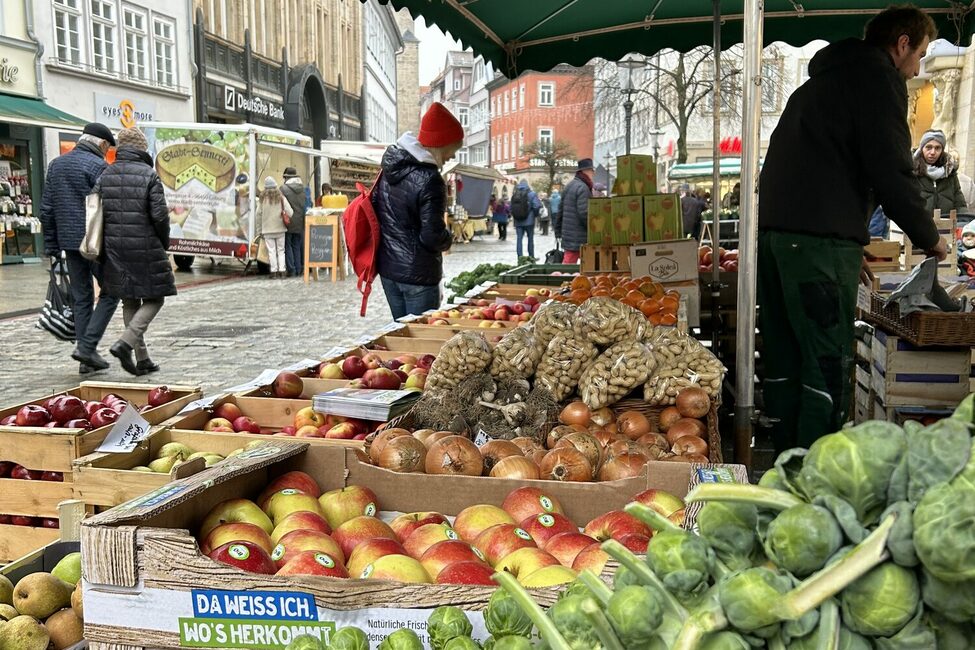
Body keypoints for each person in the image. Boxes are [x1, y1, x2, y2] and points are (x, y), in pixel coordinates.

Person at [757, 5, 946, 452]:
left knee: (785, 359)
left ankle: (783, 465)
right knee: (825, 365)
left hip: (776, 241)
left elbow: (817, 168)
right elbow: (891, 169)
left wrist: (843, 237)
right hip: (816, 246)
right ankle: (817, 478)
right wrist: (930, 238)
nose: (917, 66)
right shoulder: (877, 81)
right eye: (918, 53)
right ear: (901, 44)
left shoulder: (817, 86)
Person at [93, 127, 176, 376]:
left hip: (113, 248)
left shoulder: (104, 175)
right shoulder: (148, 175)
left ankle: (142, 359)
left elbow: (95, 213)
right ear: (141, 148)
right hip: (145, 246)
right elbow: (159, 215)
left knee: (129, 298)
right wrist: (164, 242)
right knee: (154, 298)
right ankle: (126, 342)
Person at [39, 122, 120, 374]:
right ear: (103, 144)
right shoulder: (100, 167)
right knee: (112, 290)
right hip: (96, 243)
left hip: (70, 244)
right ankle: (86, 347)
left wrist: (51, 246)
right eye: (107, 148)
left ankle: (86, 360)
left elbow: (47, 209)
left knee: (82, 297)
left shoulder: (56, 165)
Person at [372, 101, 459, 320]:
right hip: (417, 274)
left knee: (401, 337)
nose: (452, 156)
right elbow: (431, 235)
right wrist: (448, 238)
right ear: (441, 143)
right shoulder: (430, 179)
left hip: (389, 270)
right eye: (452, 149)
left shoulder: (388, 169)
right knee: (422, 343)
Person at [912, 129, 968, 215]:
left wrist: (964, 223)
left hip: (946, 226)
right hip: (919, 226)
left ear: (942, 150)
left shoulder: (950, 173)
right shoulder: (912, 172)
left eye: (937, 148)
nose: (933, 152)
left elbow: (960, 205)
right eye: (928, 147)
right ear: (922, 148)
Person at [554, 159, 595, 264]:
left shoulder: (570, 185)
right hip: (579, 235)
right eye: (592, 170)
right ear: (585, 171)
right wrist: (594, 229)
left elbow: (560, 211)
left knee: (568, 263)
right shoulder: (583, 188)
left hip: (569, 234)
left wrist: (558, 231)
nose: (593, 173)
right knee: (587, 265)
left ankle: (564, 279)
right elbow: (584, 213)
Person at [256, 177, 292, 279]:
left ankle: (274, 272)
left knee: (271, 251)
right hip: (280, 229)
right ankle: (282, 271)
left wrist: (259, 230)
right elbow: (290, 212)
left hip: (267, 230)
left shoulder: (262, 200)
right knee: (281, 250)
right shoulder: (281, 198)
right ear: (276, 186)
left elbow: (258, 214)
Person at [280, 167, 307, 277]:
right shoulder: (303, 189)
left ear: (286, 177)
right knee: (296, 245)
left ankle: (291, 269)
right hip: (300, 221)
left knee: (288, 245)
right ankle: (298, 268)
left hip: (288, 221)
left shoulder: (283, 189)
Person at [510, 180, 541, 259]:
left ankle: (520, 256)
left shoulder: (515, 194)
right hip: (529, 221)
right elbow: (536, 206)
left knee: (519, 239)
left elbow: (511, 208)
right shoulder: (532, 194)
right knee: (530, 239)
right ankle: (531, 256)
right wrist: (535, 214)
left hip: (518, 221)